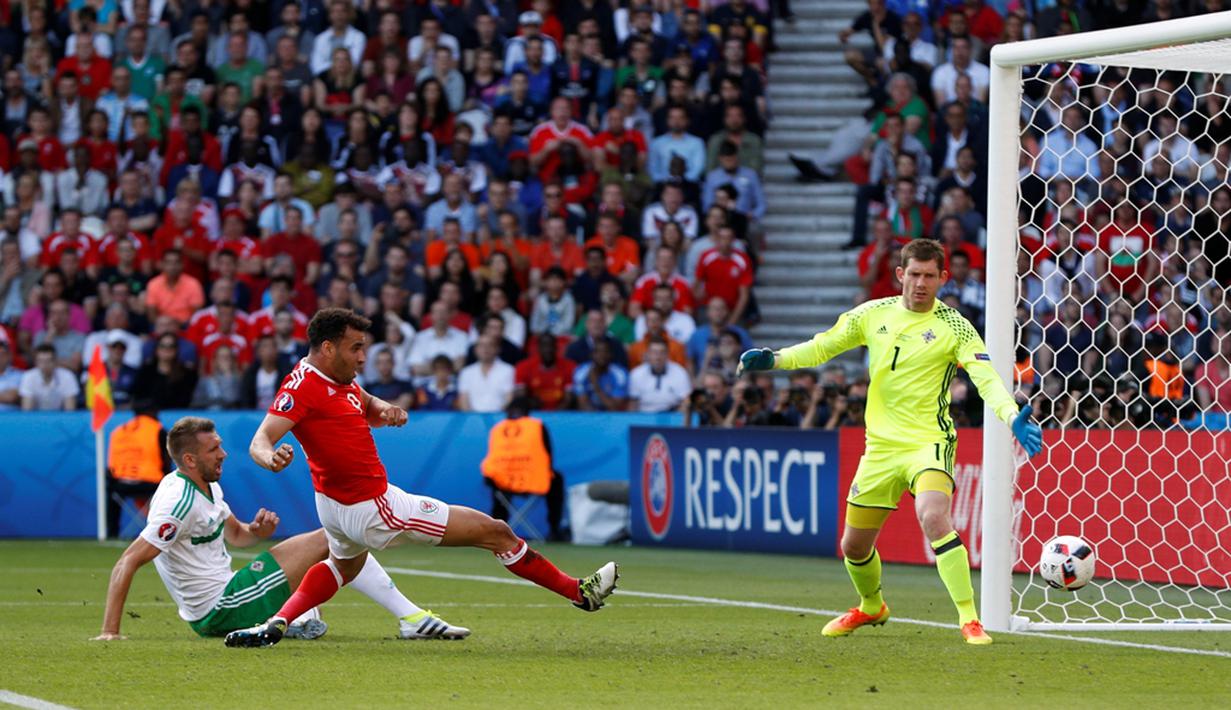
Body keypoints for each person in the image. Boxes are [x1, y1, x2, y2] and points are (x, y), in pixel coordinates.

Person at [224, 309, 617, 647]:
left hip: (335, 507)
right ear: (327, 348)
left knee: (342, 567)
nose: (362, 357)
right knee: (496, 532)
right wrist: (270, 458)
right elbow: (261, 439)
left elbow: (365, 403)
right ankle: (579, 592)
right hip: (374, 507)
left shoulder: (336, 378)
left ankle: (277, 622)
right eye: (355, 348)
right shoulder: (303, 387)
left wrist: (385, 410)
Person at [737, 239, 1043, 645]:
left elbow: (985, 379)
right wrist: (775, 359)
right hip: (880, 448)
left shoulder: (955, 327)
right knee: (853, 545)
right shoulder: (872, 314)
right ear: (901, 274)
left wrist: (1009, 415)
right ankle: (871, 606)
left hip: (929, 442)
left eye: (929, 276)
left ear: (943, 278)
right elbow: (822, 347)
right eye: (914, 274)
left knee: (933, 515)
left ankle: (970, 619)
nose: (921, 283)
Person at [94, 416, 467, 641]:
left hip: (231, 591)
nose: (223, 453)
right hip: (219, 608)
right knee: (337, 537)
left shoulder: (205, 485)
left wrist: (255, 531)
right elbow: (128, 561)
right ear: (190, 459)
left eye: (220, 445)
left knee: (338, 538)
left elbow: (235, 535)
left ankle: (299, 618)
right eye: (214, 450)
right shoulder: (177, 502)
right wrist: (110, 632)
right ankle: (410, 618)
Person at [480, 397, 567, 541]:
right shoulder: (537, 426)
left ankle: (496, 530)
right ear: (527, 412)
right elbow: (548, 456)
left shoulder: (497, 429)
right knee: (556, 480)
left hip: (504, 482)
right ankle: (554, 529)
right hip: (534, 481)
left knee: (495, 483)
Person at [105, 401, 171, 538]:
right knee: (170, 486)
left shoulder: (119, 431)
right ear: (152, 412)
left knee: (110, 491)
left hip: (120, 484)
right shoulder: (158, 430)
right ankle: (164, 530)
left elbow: (111, 463)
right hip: (150, 483)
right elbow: (166, 461)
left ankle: (112, 532)